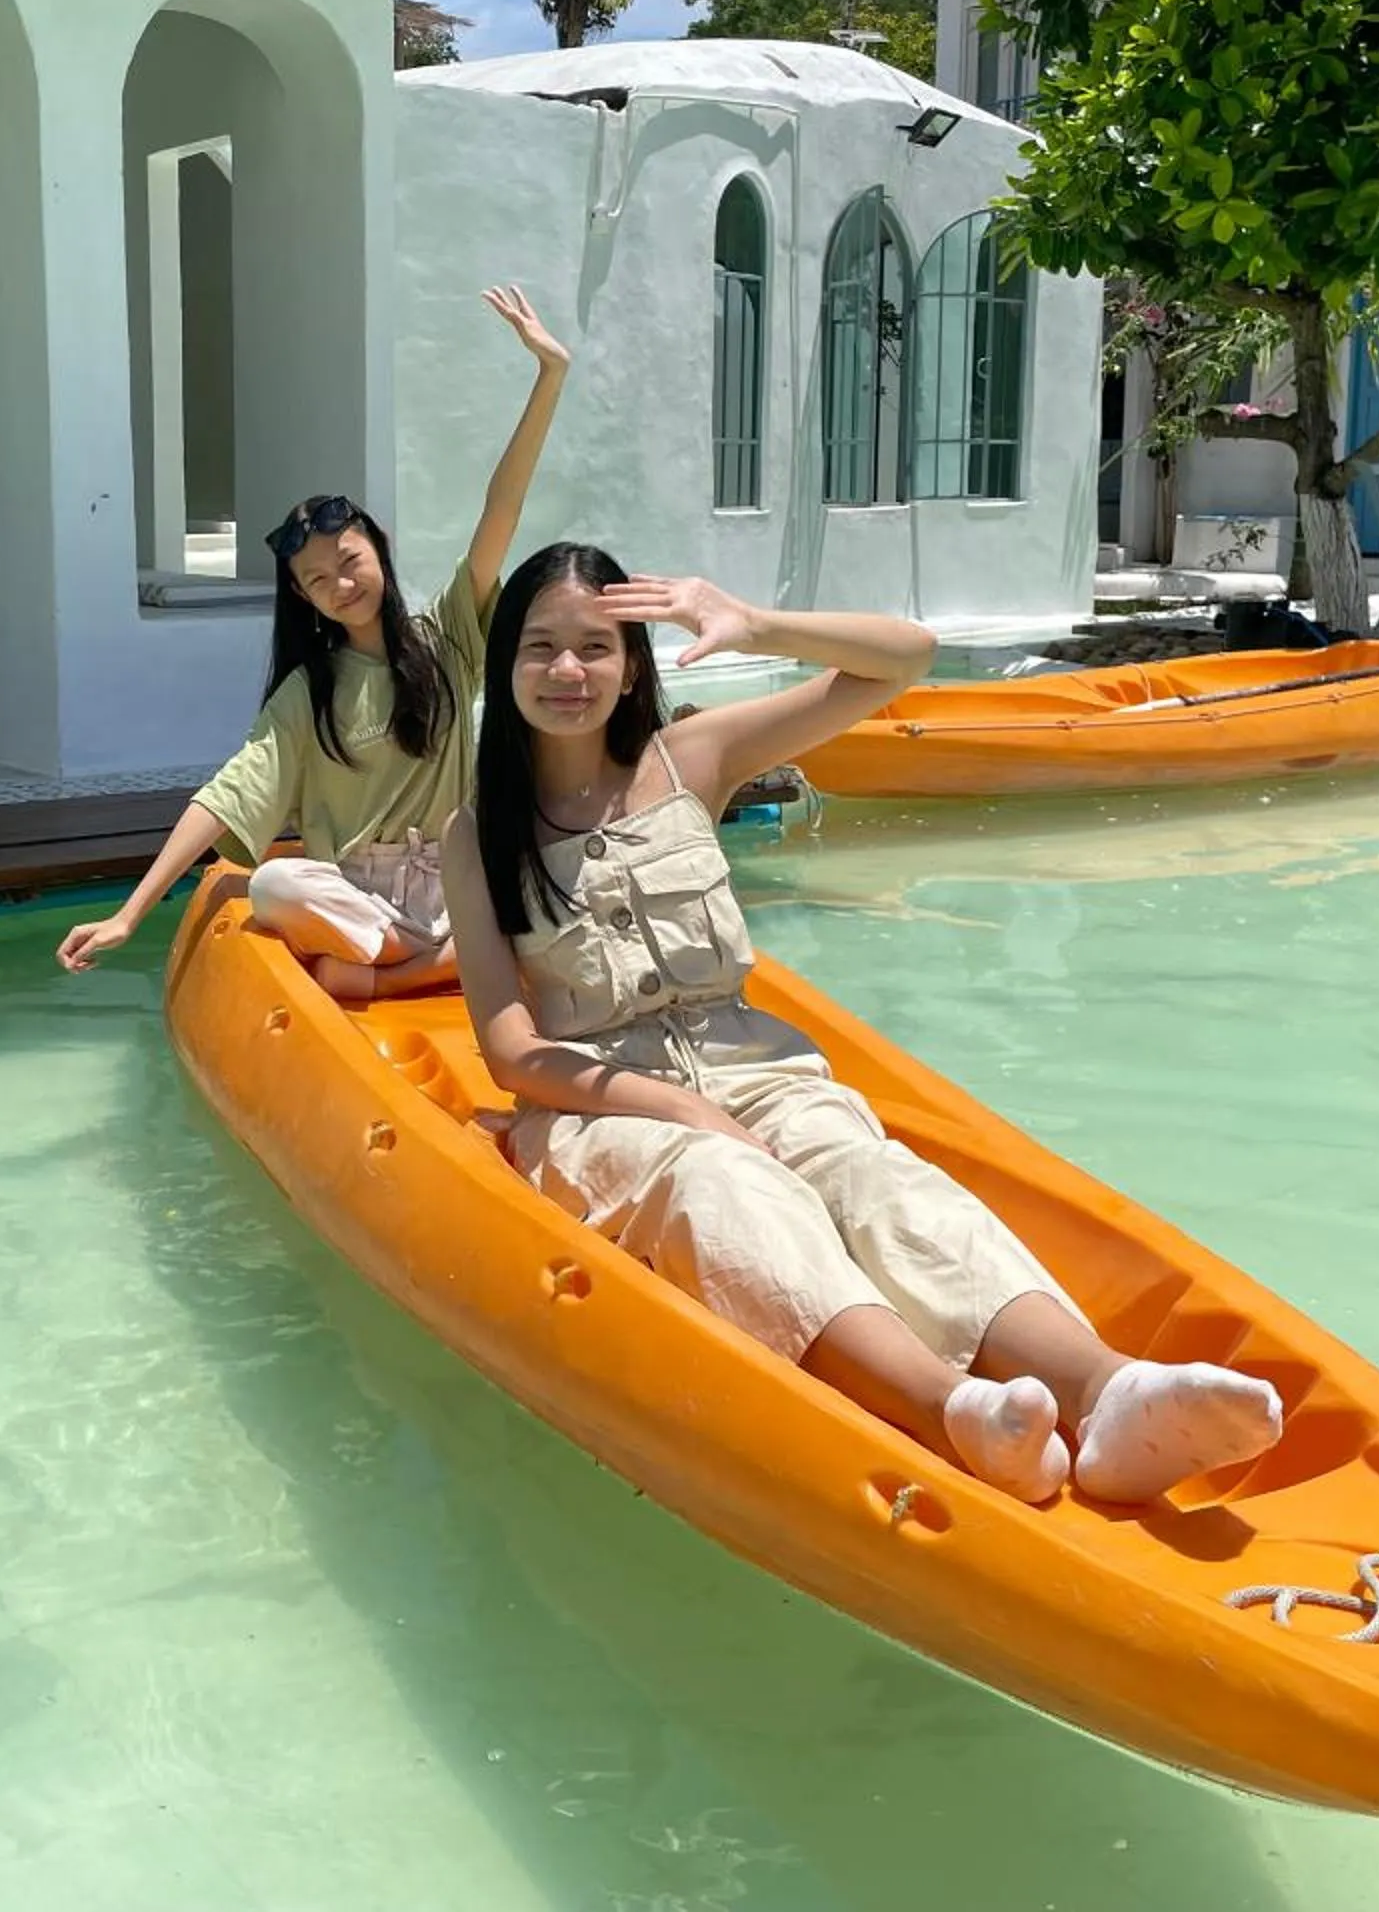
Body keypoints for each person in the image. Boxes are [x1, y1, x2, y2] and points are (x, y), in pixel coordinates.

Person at [438, 544, 1285, 1505]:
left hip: (758, 1070)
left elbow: (903, 658)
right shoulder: (479, 832)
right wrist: (684, 1112)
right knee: (718, 1183)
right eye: (541, 646)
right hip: (599, 1109)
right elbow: (512, 1052)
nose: (568, 670)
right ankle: (950, 1409)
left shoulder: (691, 760)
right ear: (506, 664)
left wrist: (752, 623)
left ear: (633, 666)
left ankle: (1109, 1393)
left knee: (869, 1174)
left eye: (596, 646)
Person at [56, 286, 572, 998]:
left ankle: (390, 976)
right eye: (318, 578)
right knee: (273, 884)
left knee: (547, 859)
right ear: (303, 596)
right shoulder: (310, 693)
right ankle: (435, 957)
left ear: (379, 550)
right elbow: (224, 798)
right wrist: (128, 914)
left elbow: (501, 511)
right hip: (359, 901)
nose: (342, 584)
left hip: (456, 881)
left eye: (350, 560)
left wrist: (550, 376)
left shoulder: (450, 637)